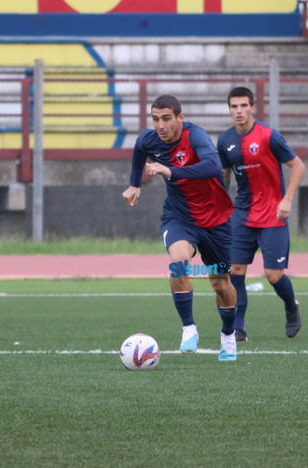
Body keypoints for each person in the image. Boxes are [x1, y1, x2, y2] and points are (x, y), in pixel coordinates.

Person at [122, 95, 238, 361]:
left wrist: (171, 171)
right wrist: (135, 184)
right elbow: (140, 148)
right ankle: (188, 328)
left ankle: (229, 336)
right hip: (179, 217)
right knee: (178, 262)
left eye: (166, 118)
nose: (160, 125)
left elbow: (212, 165)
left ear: (180, 118)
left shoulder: (195, 136)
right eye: (155, 119)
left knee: (221, 284)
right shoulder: (150, 139)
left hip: (215, 220)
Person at [217, 86, 306, 342]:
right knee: (235, 270)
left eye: (244, 105)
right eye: (234, 106)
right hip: (242, 216)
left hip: (272, 215)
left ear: (253, 107)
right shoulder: (224, 141)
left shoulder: (269, 136)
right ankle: (239, 328)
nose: (239, 111)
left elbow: (298, 166)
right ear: (230, 110)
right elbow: (224, 177)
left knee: (273, 275)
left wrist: (287, 200)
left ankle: (291, 307)